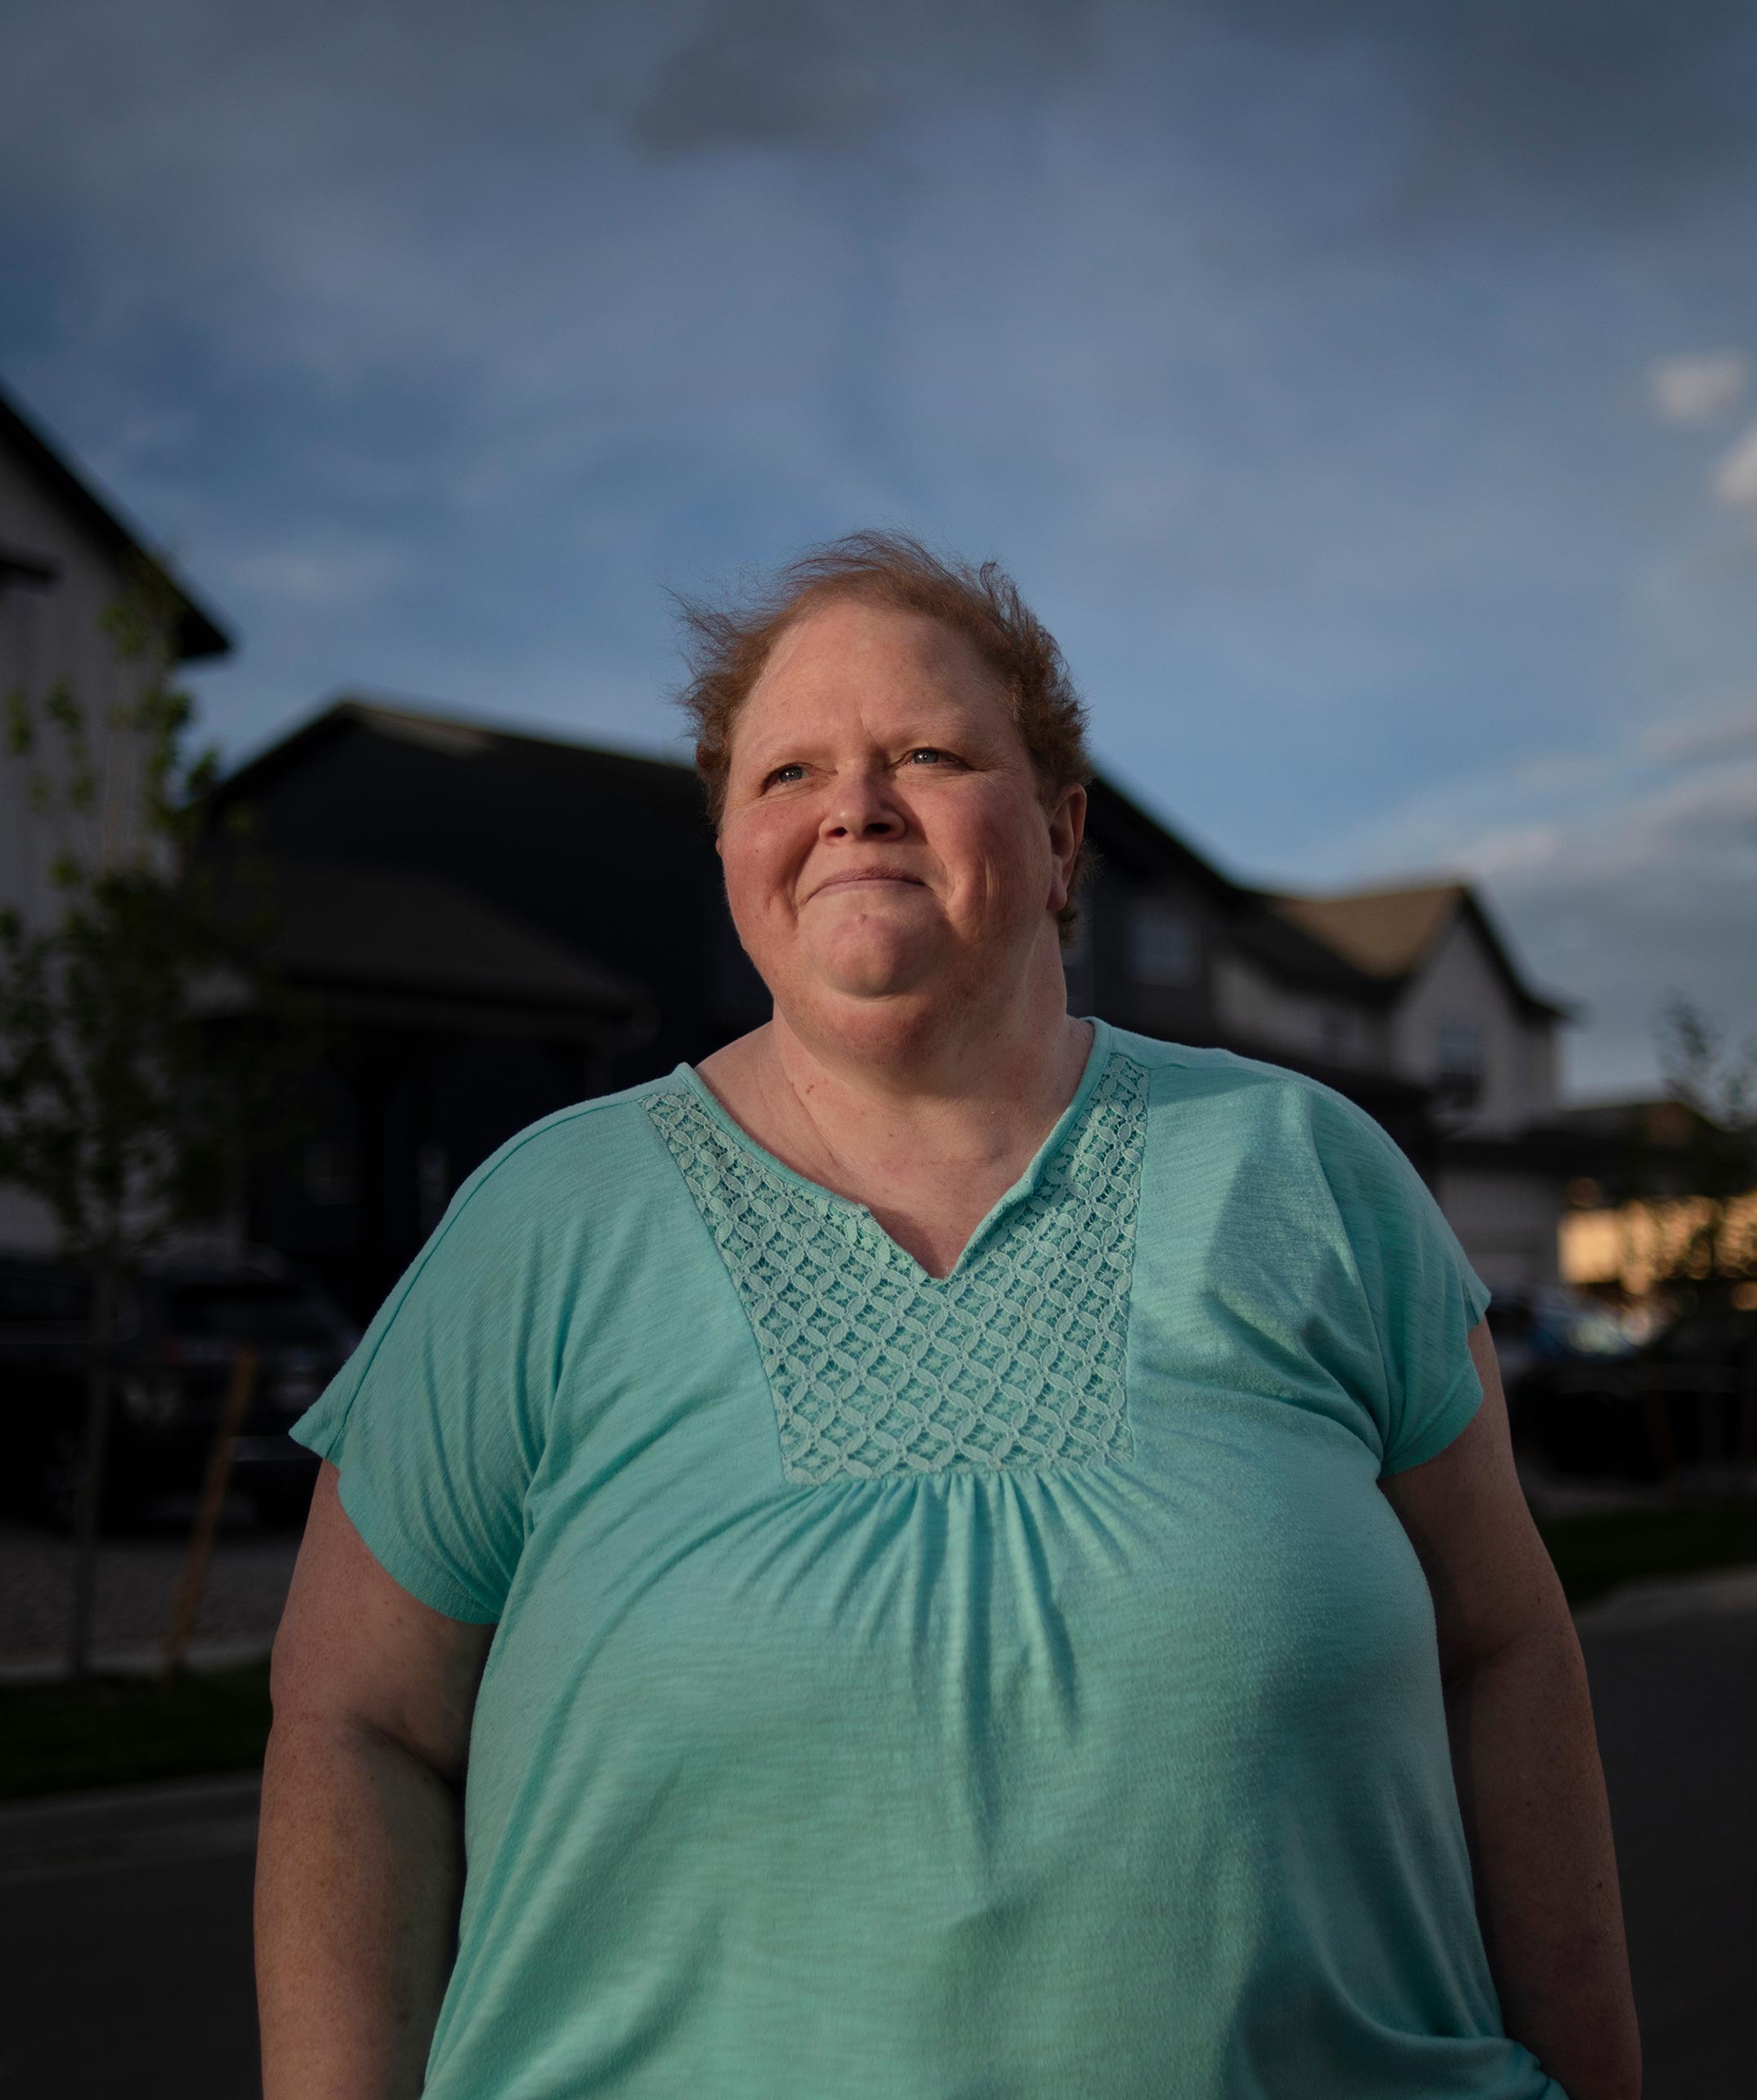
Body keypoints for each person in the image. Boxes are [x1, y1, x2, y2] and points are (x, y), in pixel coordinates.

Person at [256, 532, 1641, 2098]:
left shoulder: (1304, 1173)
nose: (852, 803)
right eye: (786, 775)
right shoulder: (545, 1225)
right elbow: (356, 1731)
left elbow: (1510, 1646)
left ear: (1060, 841)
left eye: (926, 751)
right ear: (731, 858)